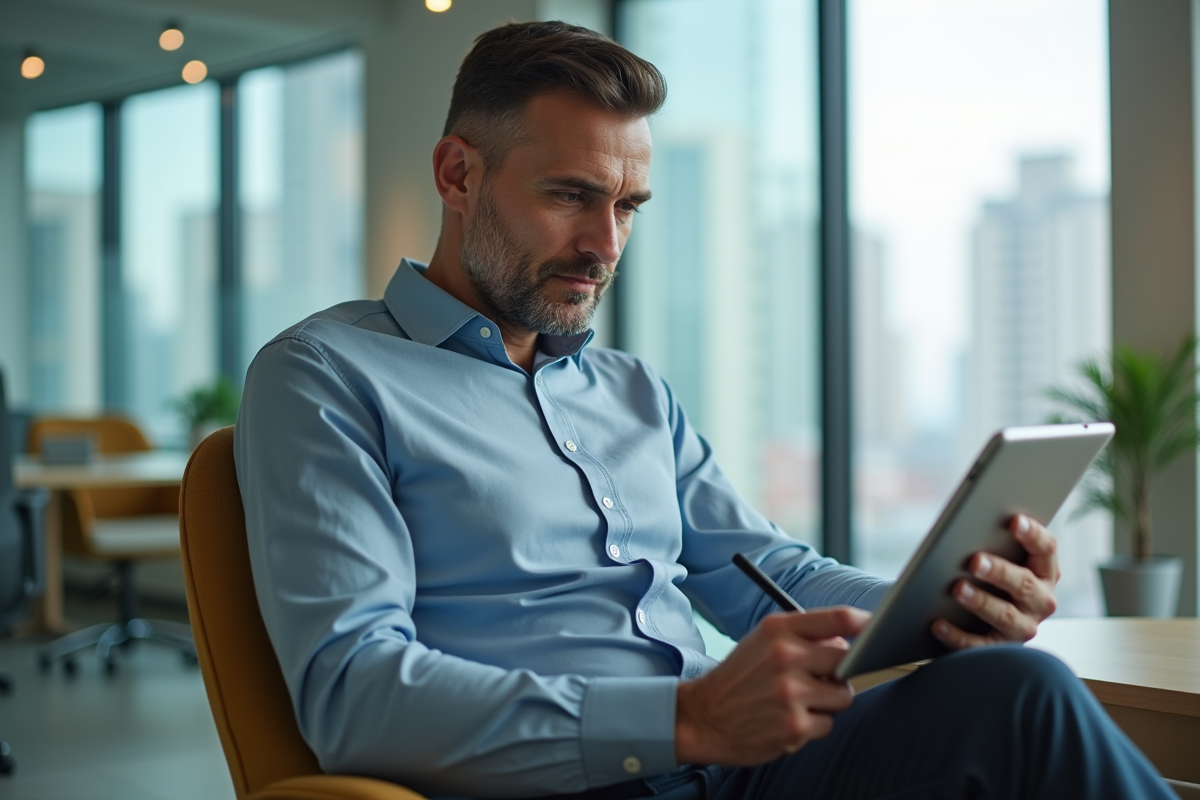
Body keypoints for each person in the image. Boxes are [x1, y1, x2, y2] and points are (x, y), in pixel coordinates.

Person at [235, 20, 1174, 800]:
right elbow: (356, 693)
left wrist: (940, 603)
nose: (604, 244)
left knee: (1014, 687)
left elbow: (763, 570)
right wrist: (686, 719)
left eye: (628, 206)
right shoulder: (325, 378)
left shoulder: (633, 391)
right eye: (569, 195)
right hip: (569, 781)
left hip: (734, 769)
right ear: (457, 174)